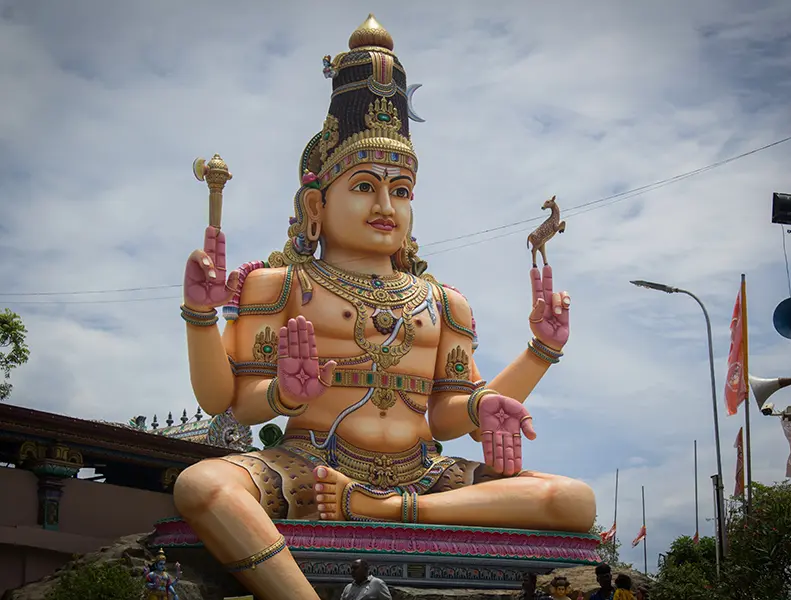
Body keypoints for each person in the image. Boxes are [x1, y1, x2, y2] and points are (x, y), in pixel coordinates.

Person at [173, 13, 595, 600]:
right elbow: (228, 404)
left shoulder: (444, 303)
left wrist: (538, 355)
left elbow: (449, 414)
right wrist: (231, 346)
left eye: (400, 190)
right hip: (308, 467)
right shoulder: (283, 284)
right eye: (365, 185)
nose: (386, 205)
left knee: (573, 500)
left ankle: (388, 508)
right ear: (318, 203)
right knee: (203, 487)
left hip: (421, 475)